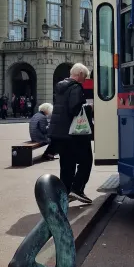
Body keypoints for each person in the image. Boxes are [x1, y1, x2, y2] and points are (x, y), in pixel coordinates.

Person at [49, 63, 92, 204]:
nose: (85, 80)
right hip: (74, 134)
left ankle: (65, 195)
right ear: (79, 74)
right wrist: (88, 107)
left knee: (66, 165)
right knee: (86, 161)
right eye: (84, 77)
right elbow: (75, 109)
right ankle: (77, 189)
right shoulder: (76, 87)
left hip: (60, 134)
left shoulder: (61, 87)